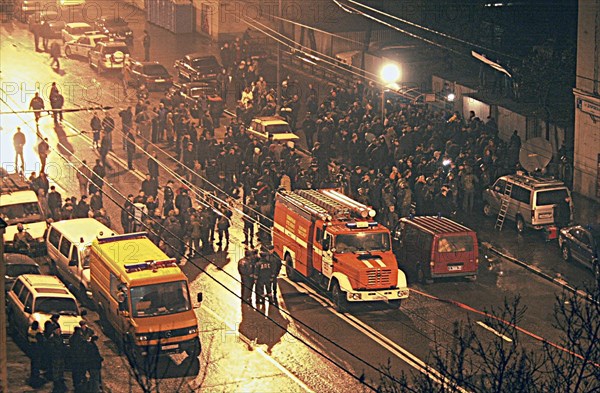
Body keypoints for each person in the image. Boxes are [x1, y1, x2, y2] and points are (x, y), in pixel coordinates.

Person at [27, 321, 45, 388]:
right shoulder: (37, 333)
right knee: (36, 363)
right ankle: (36, 377)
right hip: (36, 349)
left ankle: (33, 376)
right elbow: (41, 341)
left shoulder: (29, 330)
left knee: (33, 363)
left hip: (31, 347)